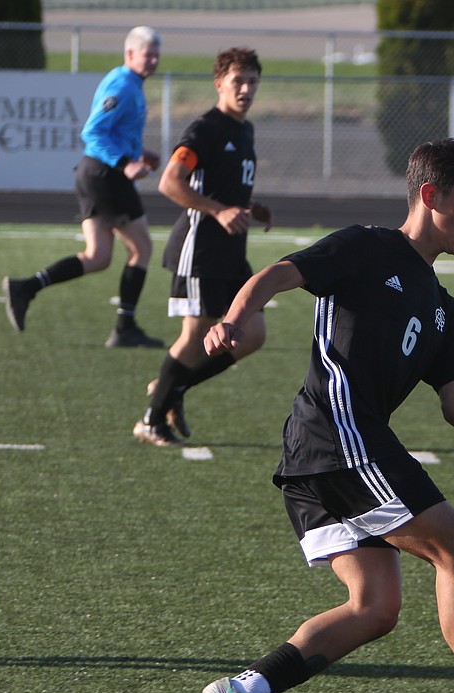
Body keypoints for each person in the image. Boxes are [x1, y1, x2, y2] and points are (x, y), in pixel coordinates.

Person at [198, 138, 454, 693]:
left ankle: (245, 691)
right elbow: (275, 275)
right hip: (338, 436)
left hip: (329, 450)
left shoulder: (442, 309)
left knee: (374, 608)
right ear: (431, 197)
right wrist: (235, 318)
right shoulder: (366, 247)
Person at [134, 47, 273, 447]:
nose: (246, 89)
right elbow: (170, 182)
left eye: (252, 81)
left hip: (230, 252)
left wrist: (251, 208)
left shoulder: (244, 130)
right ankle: (152, 419)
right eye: (237, 81)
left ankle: (172, 387)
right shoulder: (205, 129)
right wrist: (219, 211)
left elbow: (226, 189)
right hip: (199, 249)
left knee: (253, 334)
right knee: (195, 336)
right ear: (219, 84)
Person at [2, 26, 164, 348]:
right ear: (130, 53)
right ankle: (124, 327)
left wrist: (138, 154)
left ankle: (26, 288)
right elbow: (93, 132)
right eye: (148, 55)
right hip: (105, 176)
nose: (154, 61)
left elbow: (113, 132)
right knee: (142, 248)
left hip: (95, 173)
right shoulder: (122, 84)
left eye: (157, 55)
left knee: (98, 256)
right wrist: (124, 163)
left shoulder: (130, 82)